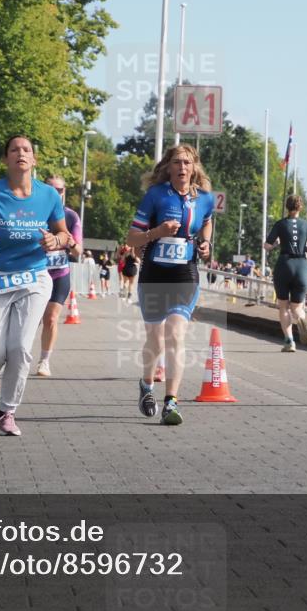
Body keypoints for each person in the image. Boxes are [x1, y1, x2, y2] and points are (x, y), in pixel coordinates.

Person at [0, 135, 72, 437]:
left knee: (21, 348)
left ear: (34, 159)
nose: (21, 154)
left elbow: (64, 234)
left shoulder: (49, 195)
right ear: (6, 159)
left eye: (27, 150)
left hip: (34, 278)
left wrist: (55, 240)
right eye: (14, 150)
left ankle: (8, 412)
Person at [127, 144, 214, 426]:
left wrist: (205, 243)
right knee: (155, 339)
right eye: (177, 162)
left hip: (185, 274)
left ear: (194, 167)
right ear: (168, 167)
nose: (182, 167)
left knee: (176, 334)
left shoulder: (204, 199)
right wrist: (158, 232)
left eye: (187, 163)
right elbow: (132, 238)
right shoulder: (155, 196)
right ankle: (146, 384)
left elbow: (208, 221)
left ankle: (171, 402)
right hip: (154, 273)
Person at [35, 176, 83, 377]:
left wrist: (71, 244)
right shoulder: (34, 212)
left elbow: (79, 251)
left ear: (65, 192)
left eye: (60, 190)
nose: (56, 193)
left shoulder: (71, 217)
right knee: (29, 319)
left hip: (59, 274)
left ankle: (44, 361)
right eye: (51, 189)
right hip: (35, 274)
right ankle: (16, 355)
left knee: (51, 318)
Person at [263, 194, 307, 351]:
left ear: (287, 207)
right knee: (296, 307)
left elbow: (267, 246)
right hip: (301, 265)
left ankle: (289, 340)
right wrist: (303, 248)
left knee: (283, 306)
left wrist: (277, 243)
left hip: (285, 264)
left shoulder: (280, 224)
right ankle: (300, 318)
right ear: (300, 207)